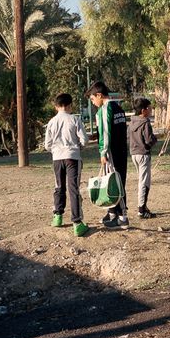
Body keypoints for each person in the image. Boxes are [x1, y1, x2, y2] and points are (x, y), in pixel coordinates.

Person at [43, 92, 89, 237]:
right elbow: (84, 140)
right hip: (72, 157)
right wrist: (78, 147)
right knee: (73, 188)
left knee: (59, 186)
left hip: (57, 158)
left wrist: (56, 150)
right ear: (70, 105)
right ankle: (77, 223)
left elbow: (47, 145)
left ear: (56, 106)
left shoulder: (51, 122)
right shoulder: (74, 119)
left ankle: (57, 217)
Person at [87, 81, 129, 228]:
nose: (93, 103)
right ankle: (112, 212)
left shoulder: (105, 109)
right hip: (121, 150)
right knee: (117, 180)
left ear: (99, 95)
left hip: (111, 152)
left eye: (93, 99)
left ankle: (123, 216)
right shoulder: (118, 108)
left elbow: (105, 134)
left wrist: (103, 152)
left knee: (114, 182)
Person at [128, 97, 158, 219]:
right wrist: (155, 139)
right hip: (143, 155)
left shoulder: (131, 122)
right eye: (149, 108)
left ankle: (143, 206)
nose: (151, 110)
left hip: (134, 154)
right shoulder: (145, 122)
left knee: (141, 180)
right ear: (143, 110)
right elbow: (149, 140)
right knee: (144, 182)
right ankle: (141, 209)